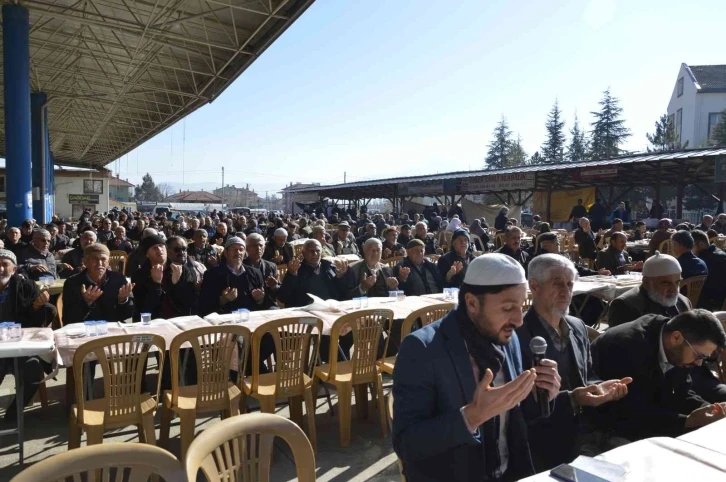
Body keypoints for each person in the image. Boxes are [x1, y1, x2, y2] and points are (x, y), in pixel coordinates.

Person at [393, 254, 561, 482]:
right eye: (508, 308)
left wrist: (539, 394)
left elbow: (514, 419)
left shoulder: (507, 338)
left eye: (521, 307)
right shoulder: (423, 349)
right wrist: (471, 417)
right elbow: (408, 445)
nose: (519, 320)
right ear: (472, 303)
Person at [517, 255, 631, 470]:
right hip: (547, 440)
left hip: (590, 428)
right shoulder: (518, 334)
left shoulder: (577, 326)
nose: (566, 291)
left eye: (569, 284)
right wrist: (573, 399)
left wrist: (601, 389)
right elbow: (520, 407)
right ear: (534, 286)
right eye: (557, 283)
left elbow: (587, 374)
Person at [591, 310, 726, 441]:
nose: (699, 363)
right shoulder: (628, 347)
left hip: (643, 418)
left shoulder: (673, 343)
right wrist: (687, 421)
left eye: (706, 358)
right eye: (699, 356)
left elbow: (680, 391)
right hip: (602, 427)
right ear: (676, 338)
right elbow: (632, 415)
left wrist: (711, 409)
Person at [0, 249, 56, 421]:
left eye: (4, 265)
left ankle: (12, 416)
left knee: (32, 369)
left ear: (14, 269)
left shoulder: (26, 286)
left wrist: (37, 307)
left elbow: (33, 321)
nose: (0, 269)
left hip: (20, 345)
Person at [607, 252, 691, 327]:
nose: (674, 289)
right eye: (666, 283)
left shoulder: (683, 302)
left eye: (677, 282)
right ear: (646, 282)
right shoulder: (625, 306)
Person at [62, 244, 134, 324]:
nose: (100, 263)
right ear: (85, 262)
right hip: (85, 331)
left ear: (108, 262)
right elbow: (68, 319)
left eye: (103, 259)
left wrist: (123, 301)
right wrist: (86, 303)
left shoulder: (118, 278)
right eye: (94, 259)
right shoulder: (72, 283)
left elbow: (128, 315)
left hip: (112, 328)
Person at [199, 237, 272, 315]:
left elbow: (265, 304)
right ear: (226, 253)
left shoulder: (255, 273)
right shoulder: (212, 275)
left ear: (245, 254)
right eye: (234, 249)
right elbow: (204, 306)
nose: (238, 252)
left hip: (251, 318)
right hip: (224, 321)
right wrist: (223, 300)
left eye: (241, 249)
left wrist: (259, 300)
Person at [277, 239, 348, 307]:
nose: (315, 254)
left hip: (330, 309)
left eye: (318, 251)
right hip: (306, 312)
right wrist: (291, 275)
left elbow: (343, 293)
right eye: (311, 251)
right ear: (303, 253)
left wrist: (340, 278)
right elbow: (283, 298)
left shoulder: (329, 268)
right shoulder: (296, 269)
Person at [131, 235, 168, 321]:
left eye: (161, 246)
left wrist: (177, 283)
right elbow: (145, 309)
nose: (159, 249)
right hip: (152, 322)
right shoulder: (139, 275)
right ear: (147, 254)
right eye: (154, 248)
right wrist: (156, 284)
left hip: (176, 320)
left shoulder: (179, 270)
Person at [691, 230, 726, 310]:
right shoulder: (720, 252)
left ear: (701, 244)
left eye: (691, 246)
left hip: (713, 303)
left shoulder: (703, 260)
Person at [243, 233, 280, 303]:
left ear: (264, 248)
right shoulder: (241, 266)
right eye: (254, 246)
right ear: (247, 248)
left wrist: (274, 287)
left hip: (268, 304)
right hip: (248, 303)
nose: (258, 248)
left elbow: (279, 294)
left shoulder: (272, 266)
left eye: (261, 245)